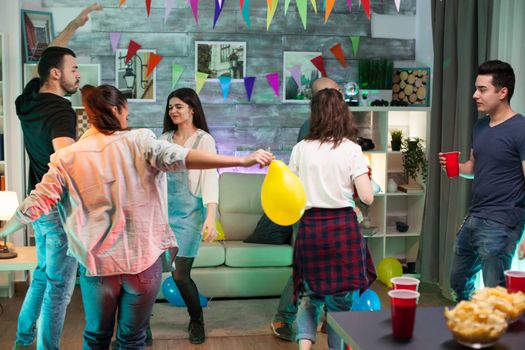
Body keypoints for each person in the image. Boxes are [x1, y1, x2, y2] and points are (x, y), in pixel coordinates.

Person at [0, 84, 274, 349]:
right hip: (143, 263)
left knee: (96, 338)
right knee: (133, 339)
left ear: (89, 117)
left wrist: (2, 232)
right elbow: (185, 158)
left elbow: (33, 204)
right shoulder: (143, 141)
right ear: (121, 109)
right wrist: (241, 160)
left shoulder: (68, 156)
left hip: (98, 266)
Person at [12, 4, 102, 349]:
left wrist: (75, 25)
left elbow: (49, 56)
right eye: (73, 69)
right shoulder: (62, 111)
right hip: (57, 209)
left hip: (38, 205)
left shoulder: (28, 99)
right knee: (59, 290)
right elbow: (66, 162)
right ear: (55, 74)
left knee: (40, 278)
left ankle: (23, 341)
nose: (77, 75)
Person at [290, 88, 376, 350]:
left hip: (311, 228)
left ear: (314, 115)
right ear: (343, 114)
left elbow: (292, 194)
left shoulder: (300, 149)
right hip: (342, 230)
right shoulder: (351, 149)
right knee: (340, 303)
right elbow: (368, 197)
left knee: (310, 298)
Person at [440, 60, 525, 301]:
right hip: (475, 217)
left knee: (496, 291)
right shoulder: (480, 126)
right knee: (458, 280)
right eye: (476, 88)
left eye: (482, 89)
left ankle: (499, 335)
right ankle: (472, 326)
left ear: (502, 92)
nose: (475, 95)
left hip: (503, 221)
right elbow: (475, 168)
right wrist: (456, 168)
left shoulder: (521, 129)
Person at [271, 77, 347, 342]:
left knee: (322, 270)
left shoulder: (333, 131)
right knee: (306, 271)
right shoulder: (310, 132)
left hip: (328, 215)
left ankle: (326, 319)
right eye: (336, 93)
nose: (341, 97)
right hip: (310, 215)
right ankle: (285, 317)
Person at [158, 88, 219, 344]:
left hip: (190, 215)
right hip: (161, 215)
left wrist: (210, 217)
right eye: (171, 106)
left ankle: (196, 319)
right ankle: (140, 326)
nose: (173, 110)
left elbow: (210, 178)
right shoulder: (162, 139)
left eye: (179, 106)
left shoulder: (204, 140)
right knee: (149, 275)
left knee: (180, 275)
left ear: (192, 109)